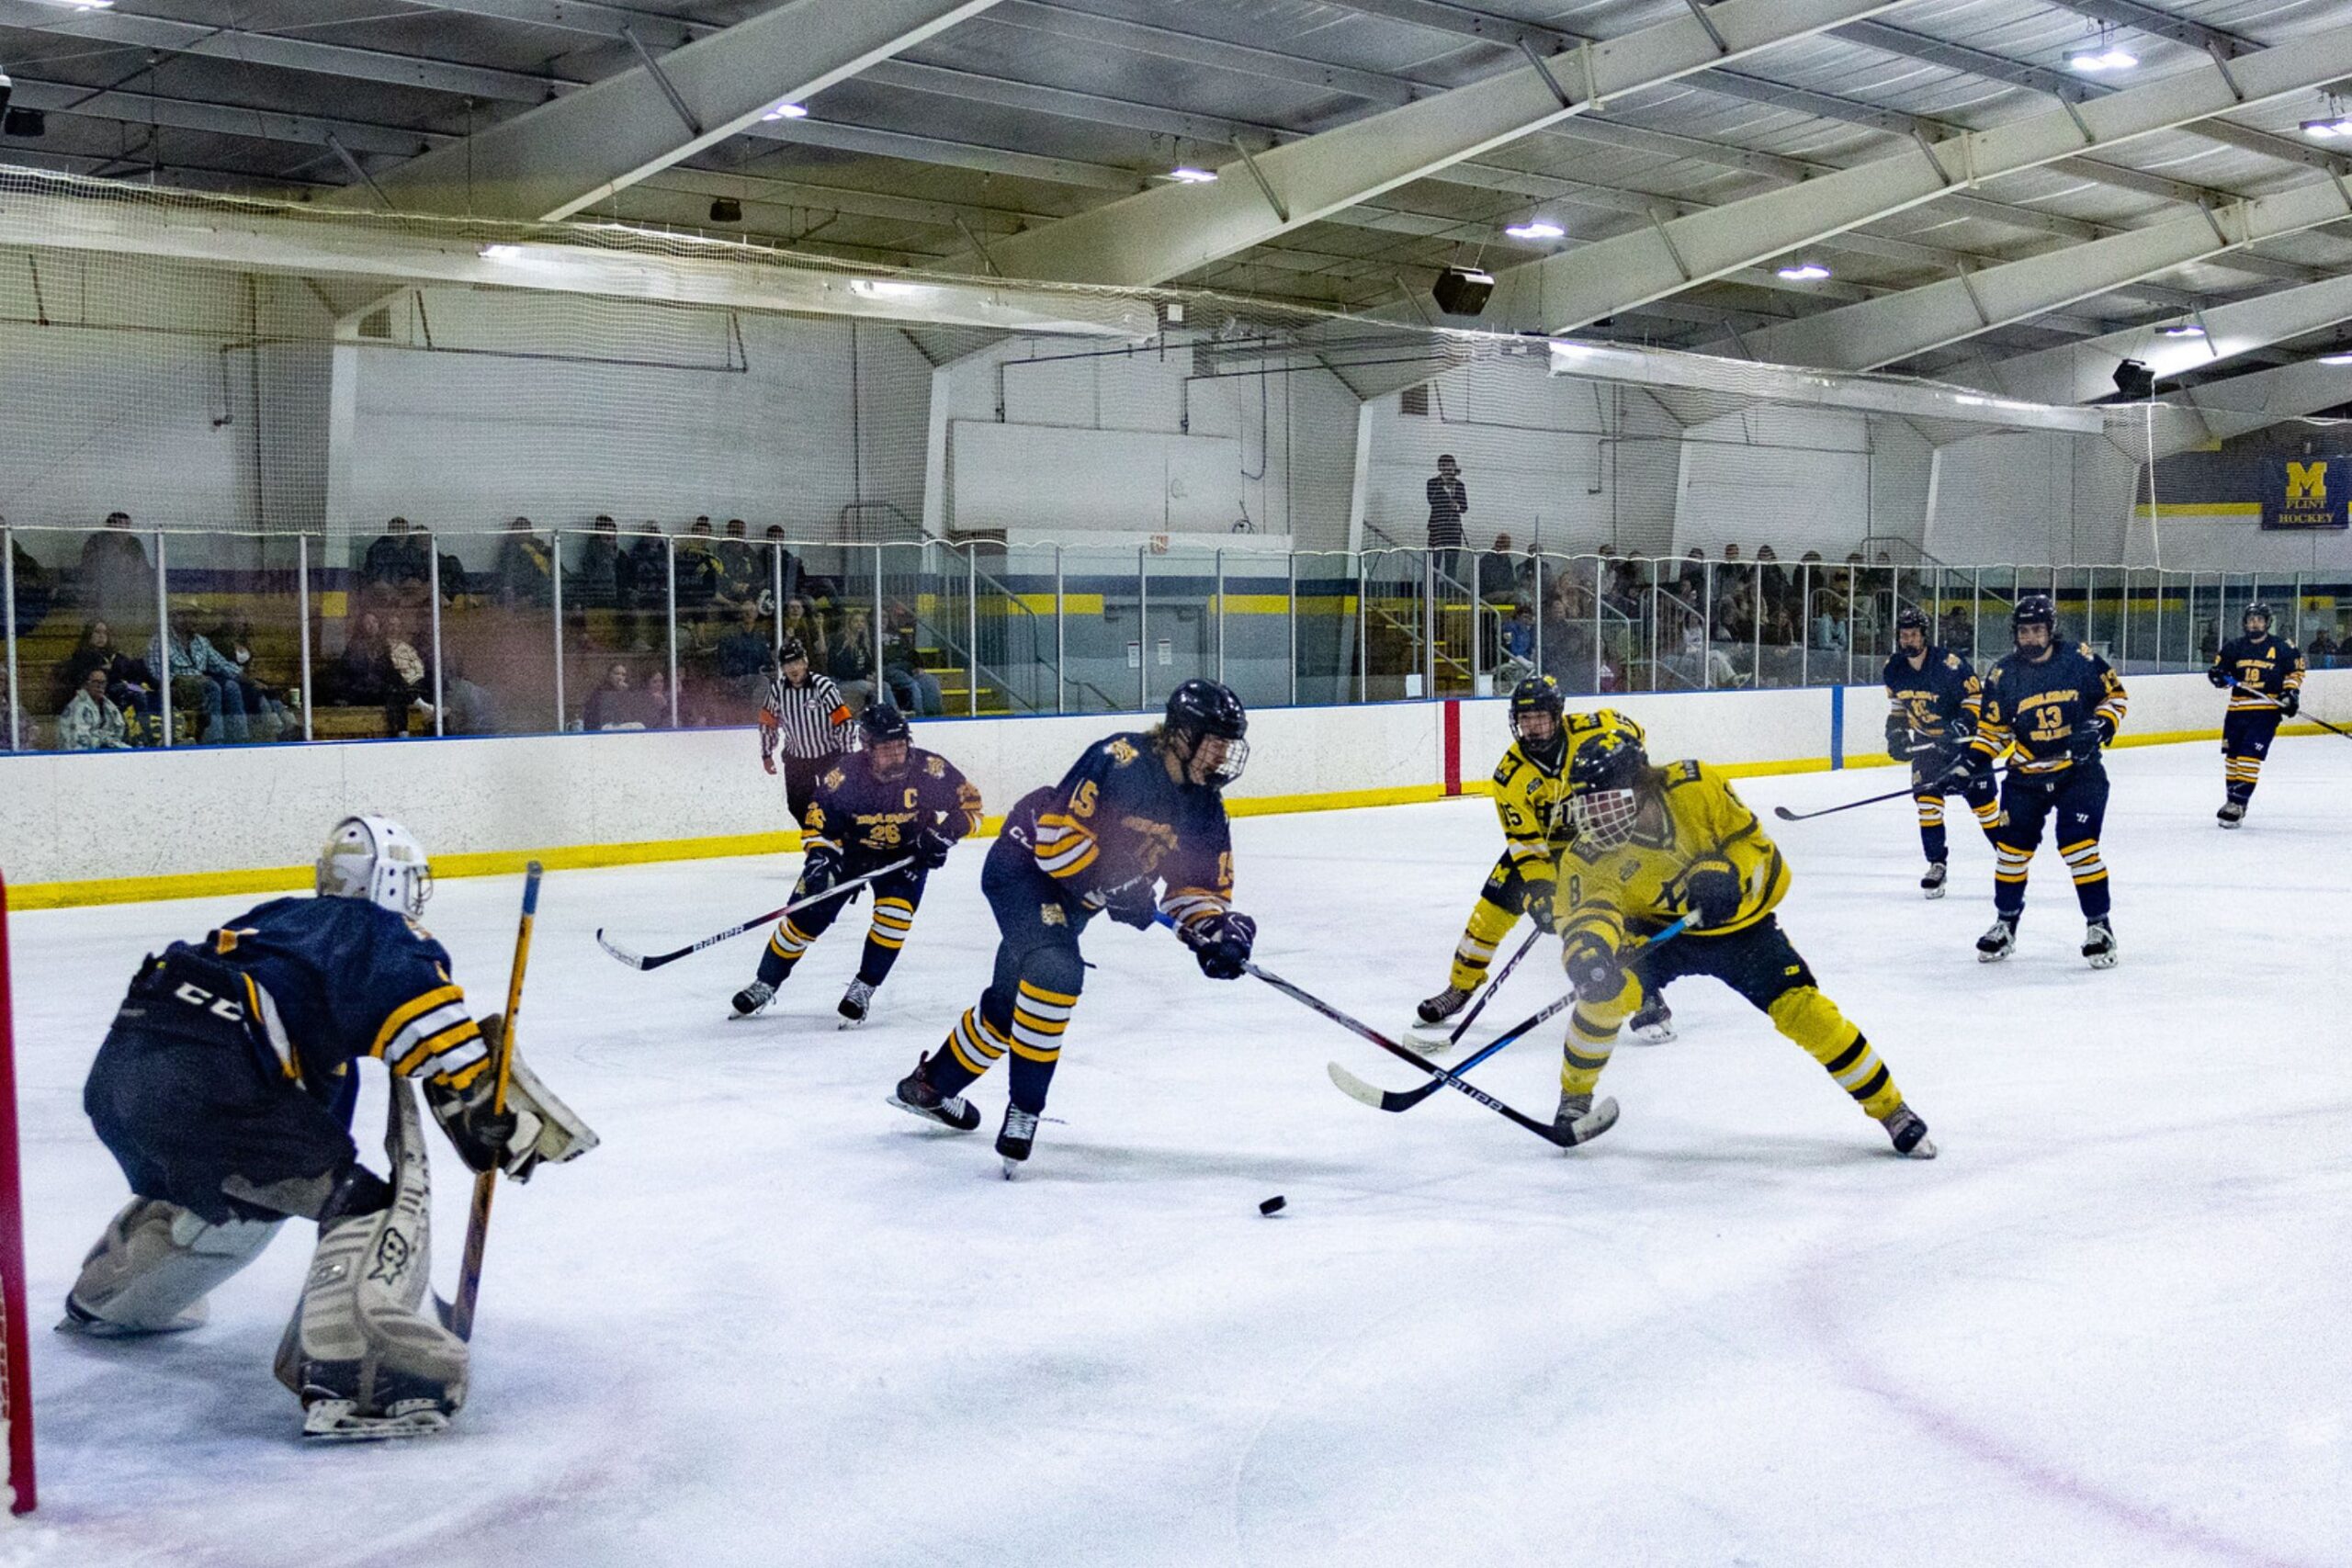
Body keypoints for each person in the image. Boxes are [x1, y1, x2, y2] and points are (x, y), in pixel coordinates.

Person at [61, 817, 596, 1437]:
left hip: (120, 1073)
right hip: (217, 1072)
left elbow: (304, 1124)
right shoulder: (379, 929)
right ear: (391, 882)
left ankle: (114, 1295)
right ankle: (361, 1371)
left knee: (256, 1189)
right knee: (359, 1201)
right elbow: (445, 1040)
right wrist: (491, 1109)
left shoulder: (282, 917)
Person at [888, 680, 1258, 1175]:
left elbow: (1196, 887)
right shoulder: (1120, 759)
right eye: (1215, 742)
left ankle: (929, 1086)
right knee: (1055, 972)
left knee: (1012, 999)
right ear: (1182, 735)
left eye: (1228, 746)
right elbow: (1056, 844)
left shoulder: (1205, 807)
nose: (1223, 756)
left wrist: (1216, 932)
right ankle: (1025, 1111)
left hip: (1079, 898)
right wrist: (1121, 883)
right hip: (1024, 867)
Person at [1554, 734, 1936, 1158]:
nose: (1595, 817)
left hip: (1743, 930)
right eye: (1588, 805)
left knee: (1806, 1012)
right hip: (1662, 933)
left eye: (1605, 801)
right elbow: (1591, 911)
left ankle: (1891, 1109)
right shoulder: (1588, 855)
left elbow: (1751, 843)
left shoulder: (1694, 787)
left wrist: (1726, 871)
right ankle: (1573, 1101)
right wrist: (1588, 950)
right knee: (1602, 1000)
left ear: (1641, 784)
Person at [1414, 682, 1672, 1042]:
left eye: (1539, 717)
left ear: (1557, 715)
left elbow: (1635, 734)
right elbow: (1524, 841)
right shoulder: (1511, 774)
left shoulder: (1595, 728)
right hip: (1544, 848)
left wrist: (1628, 770)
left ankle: (1647, 996)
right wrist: (1540, 892)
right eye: (1524, 718)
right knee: (1490, 912)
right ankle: (1460, 987)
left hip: (1595, 839)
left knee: (1612, 914)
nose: (1531, 726)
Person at [731, 705, 983, 1025]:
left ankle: (863, 987)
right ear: (867, 748)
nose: (896, 755)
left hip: (905, 856)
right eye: (886, 749)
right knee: (803, 917)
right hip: (850, 854)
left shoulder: (929, 769)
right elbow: (816, 825)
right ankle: (765, 982)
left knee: (894, 918)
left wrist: (943, 835)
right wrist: (821, 859)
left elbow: (972, 806)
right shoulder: (844, 776)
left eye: (900, 746)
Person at [1967, 594, 2129, 968]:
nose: (2030, 638)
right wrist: (1973, 760)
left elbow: (2116, 697)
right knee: (2011, 853)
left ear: (2051, 629)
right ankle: (2005, 924)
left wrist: (2101, 725)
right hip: (2026, 777)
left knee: (2078, 847)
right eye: (2024, 631)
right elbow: (1994, 730)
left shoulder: (2080, 659)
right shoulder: (2002, 673)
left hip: (2078, 772)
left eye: (2037, 630)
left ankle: (2100, 927)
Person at [1883, 606, 2001, 898]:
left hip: (1965, 746)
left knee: (1985, 809)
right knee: (1927, 806)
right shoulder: (1894, 668)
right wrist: (1896, 734)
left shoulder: (1949, 665)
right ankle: (1937, 865)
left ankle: (2010, 857)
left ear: (1924, 636)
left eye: (1913, 635)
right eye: (1903, 635)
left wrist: (1961, 726)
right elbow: (1899, 708)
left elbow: (1976, 699)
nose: (1908, 640)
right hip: (1928, 745)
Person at [2205, 601, 2306, 828]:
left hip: (2265, 710)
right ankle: (2234, 801)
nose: (2255, 623)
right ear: (2245, 622)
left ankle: (2238, 803)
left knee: (2249, 756)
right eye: (2251, 619)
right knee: (2232, 758)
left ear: (2267, 622)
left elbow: (2295, 671)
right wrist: (2218, 677)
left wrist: (2290, 694)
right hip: (2237, 709)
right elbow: (2218, 673)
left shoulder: (2283, 647)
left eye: (2259, 619)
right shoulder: (2233, 647)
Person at [758, 637, 854, 824]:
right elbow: (767, 724)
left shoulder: (823, 686)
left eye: (797, 662)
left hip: (830, 756)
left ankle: (835, 839)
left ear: (805, 662)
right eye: (787, 664)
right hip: (797, 759)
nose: (793, 668)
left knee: (837, 802)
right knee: (797, 805)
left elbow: (844, 722)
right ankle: (816, 840)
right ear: (782, 668)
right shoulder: (777, 691)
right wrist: (766, 754)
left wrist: (846, 755)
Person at [77, 511, 153, 636]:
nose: (124, 532)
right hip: (103, 595)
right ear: (110, 527)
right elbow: (89, 570)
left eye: (127, 527)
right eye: (120, 527)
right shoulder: (96, 543)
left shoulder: (135, 544)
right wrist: (115, 562)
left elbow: (142, 572)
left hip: (129, 596)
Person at [359, 517, 432, 604]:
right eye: (396, 530)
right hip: (387, 587)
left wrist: (415, 580)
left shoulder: (413, 548)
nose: (400, 533)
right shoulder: (378, 548)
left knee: (430, 586)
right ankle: (403, 602)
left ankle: (402, 602)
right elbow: (373, 577)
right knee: (378, 586)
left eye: (403, 530)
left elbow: (421, 572)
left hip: (407, 588)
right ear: (389, 532)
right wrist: (392, 586)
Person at [58, 665, 132, 750]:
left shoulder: (108, 706)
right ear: (85, 685)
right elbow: (79, 740)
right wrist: (106, 741)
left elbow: (118, 732)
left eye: (103, 682)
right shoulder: (77, 707)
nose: (100, 686)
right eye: (96, 682)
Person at [492, 516, 553, 609]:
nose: (524, 533)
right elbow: (510, 573)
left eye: (527, 529)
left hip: (551, 579)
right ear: (514, 533)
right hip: (533, 587)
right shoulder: (511, 550)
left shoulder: (540, 547)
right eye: (520, 530)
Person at [1425, 455, 1468, 585]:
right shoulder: (1432, 483)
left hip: (1453, 529)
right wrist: (1445, 491)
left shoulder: (1459, 485)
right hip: (1437, 527)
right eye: (1444, 466)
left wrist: (1457, 506)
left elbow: (1464, 507)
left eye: (1450, 466)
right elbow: (1432, 501)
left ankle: (1450, 591)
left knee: (1451, 564)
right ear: (1440, 468)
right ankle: (1431, 591)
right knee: (1434, 562)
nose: (1447, 469)